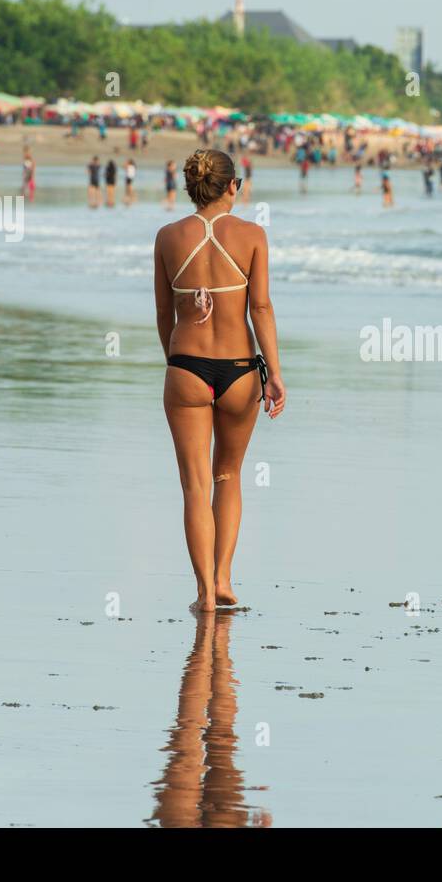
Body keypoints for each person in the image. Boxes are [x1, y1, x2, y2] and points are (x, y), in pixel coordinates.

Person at [154, 150, 287, 613]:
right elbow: (261, 308)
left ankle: (204, 594)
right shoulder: (252, 235)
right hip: (239, 372)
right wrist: (275, 374)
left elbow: (163, 315)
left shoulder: (169, 237)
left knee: (194, 487)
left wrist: (175, 364)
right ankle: (225, 578)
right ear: (234, 186)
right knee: (227, 476)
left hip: (186, 366)